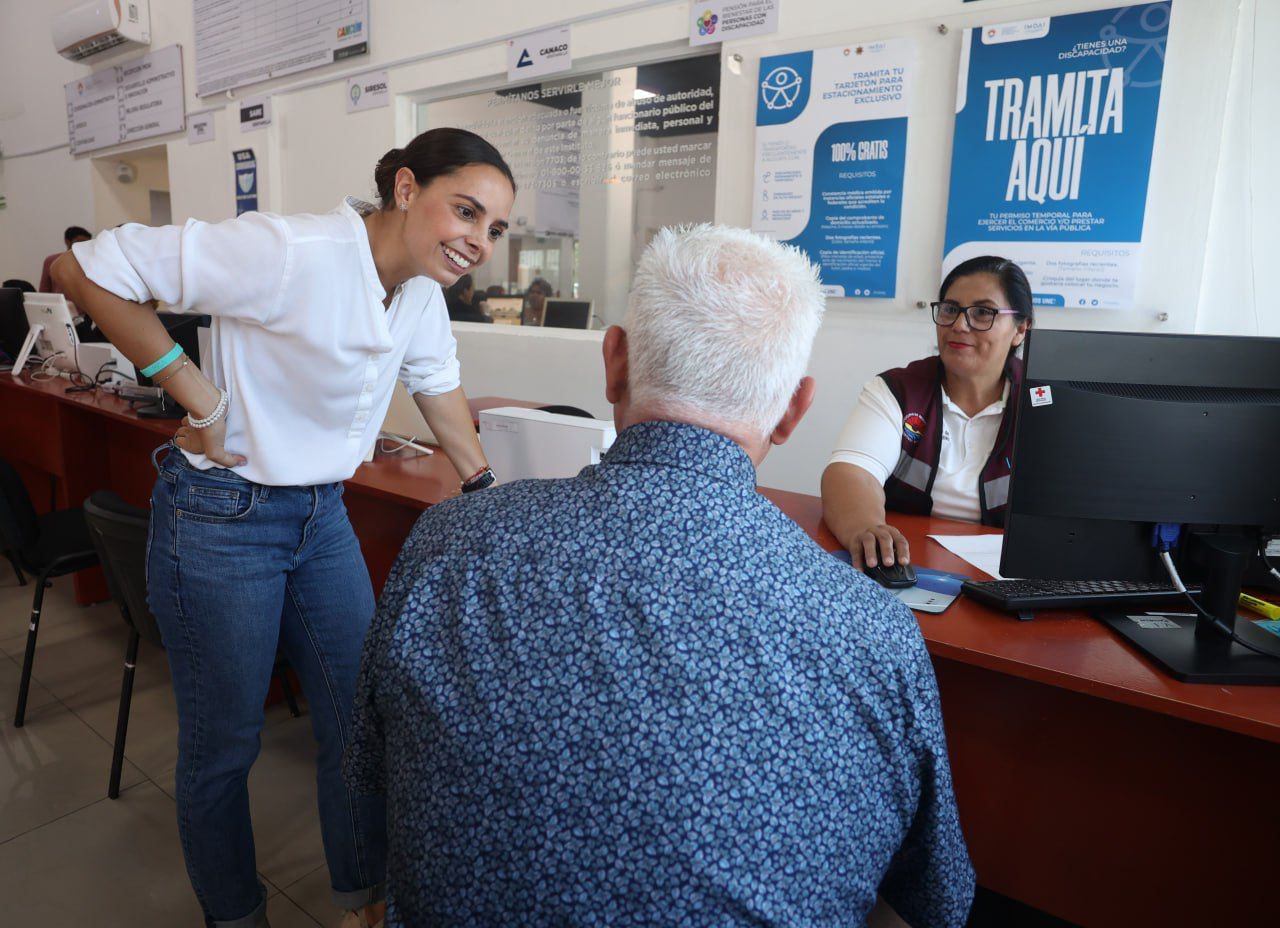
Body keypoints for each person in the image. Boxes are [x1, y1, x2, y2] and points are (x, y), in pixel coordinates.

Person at [345, 224, 974, 927]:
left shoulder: (449, 542)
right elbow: (939, 896)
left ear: (613, 362)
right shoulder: (875, 629)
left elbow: (373, 769)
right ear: (794, 411)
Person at [51, 127, 516, 928]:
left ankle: (365, 904)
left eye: (495, 228)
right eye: (466, 211)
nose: (479, 241)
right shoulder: (290, 251)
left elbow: (437, 386)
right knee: (225, 747)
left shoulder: (418, 292)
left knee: (360, 719)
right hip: (221, 517)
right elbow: (78, 269)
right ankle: (236, 916)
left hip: (320, 515)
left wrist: (486, 491)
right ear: (406, 188)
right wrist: (198, 395)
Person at [822, 256, 1033, 570]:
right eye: (950, 309)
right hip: (908, 563)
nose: (959, 325)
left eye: (982, 312)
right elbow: (851, 473)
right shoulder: (899, 390)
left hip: (1006, 574)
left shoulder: (1043, 404)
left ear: (1020, 329)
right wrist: (866, 528)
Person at [39, 225, 92, 293]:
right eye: (79, 242)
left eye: (87, 243)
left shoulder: (90, 262)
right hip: (57, 299)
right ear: (67, 241)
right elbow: (44, 291)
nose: (83, 246)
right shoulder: (51, 261)